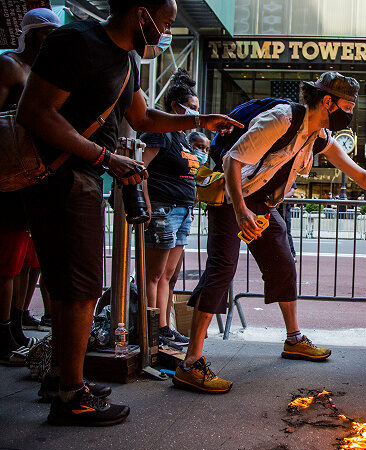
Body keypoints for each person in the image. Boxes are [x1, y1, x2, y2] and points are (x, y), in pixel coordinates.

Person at [16, 0, 241, 426]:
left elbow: (141, 118)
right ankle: (70, 396)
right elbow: (35, 112)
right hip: (61, 178)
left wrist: (200, 120)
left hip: (83, 177)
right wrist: (105, 158)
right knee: (82, 288)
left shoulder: (125, 61)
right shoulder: (76, 40)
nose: (167, 32)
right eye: (166, 22)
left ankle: (64, 376)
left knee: (72, 286)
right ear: (142, 14)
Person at [174, 72, 366, 393]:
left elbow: (358, 174)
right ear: (328, 101)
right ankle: (191, 362)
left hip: (262, 202)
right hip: (232, 194)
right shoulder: (281, 120)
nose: (350, 113)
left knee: (283, 261)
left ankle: (294, 339)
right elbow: (232, 160)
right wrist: (241, 211)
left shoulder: (319, 137)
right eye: (348, 105)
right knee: (222, 268)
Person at [0, 8, 61, 366]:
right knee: (7, 261)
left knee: (24, 258)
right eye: (47, 34)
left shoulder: (40, 72)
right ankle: (4, 332)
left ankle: (16, 321)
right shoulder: (9, 66)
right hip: (8, 175)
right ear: (34, 33)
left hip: (28, 174)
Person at [140, 69, 203, 350]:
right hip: (163, 210)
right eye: (191, 109)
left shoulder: (182, 137)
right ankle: (149, 329)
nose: (195, 115)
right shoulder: (160, 133)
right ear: (176, 108)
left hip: (182, 211)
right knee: (152, 275)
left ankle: (164, 328)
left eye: (197, 110)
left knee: (167, 275)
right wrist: (146, 206)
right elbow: (139, 169)